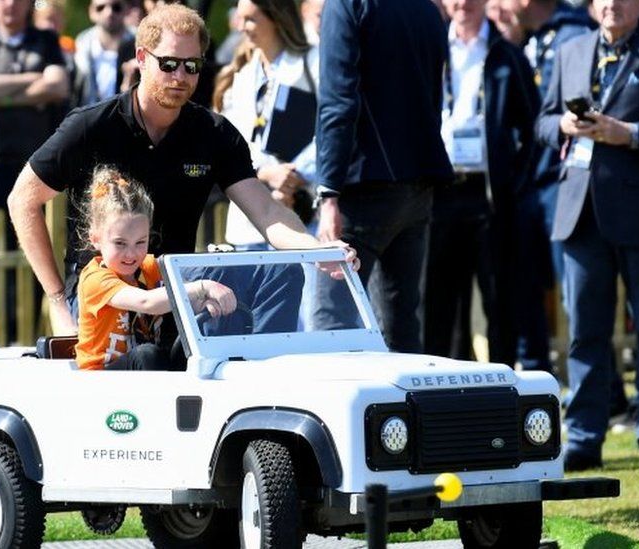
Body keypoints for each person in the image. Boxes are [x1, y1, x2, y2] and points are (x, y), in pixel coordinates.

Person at [7, 3, 355, 337]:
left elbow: (265, 210)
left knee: (281, 273)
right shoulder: (91, 126)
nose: (180, 76)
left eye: (192, 66)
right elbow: (22, 199)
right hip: (107, 291)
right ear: (142, 58)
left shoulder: (214, 133)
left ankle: (255, 378)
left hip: (178, 288)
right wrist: (56, 301)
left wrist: (318, 251)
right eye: (169, 63)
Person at [535, 0, 639, 474]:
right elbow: (542, 122)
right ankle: (585, 438)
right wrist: (564, 126)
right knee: (585, 334)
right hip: (581, 213)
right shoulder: (570, 52)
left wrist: (627, 133)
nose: (612, 5)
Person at [311, 0, 452, 353]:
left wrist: (328, 192)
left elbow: (337, 100)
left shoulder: (346, 5)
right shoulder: (427, 9)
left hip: (361, 190)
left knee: (331, 326)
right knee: (401, 328)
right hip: (418, 186)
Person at [424, 0, 539, 365]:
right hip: (438, 192)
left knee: (497, 298)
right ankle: (434, 391)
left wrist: (514, 180)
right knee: (438, 300)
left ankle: (502, 389)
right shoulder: (430, 48)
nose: (463, 4)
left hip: (489, 195)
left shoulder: (506, 55)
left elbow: (532, 127)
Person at [0, 0, 69, 346]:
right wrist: (31, 82)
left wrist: (3, 95)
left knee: (36, 252)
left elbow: (58, 86)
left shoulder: (45, 39)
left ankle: (30, 338)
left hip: (34, 162)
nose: (9, 4)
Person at [506, 0, 594, 375]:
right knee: (525, 290)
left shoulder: (572, 36)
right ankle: (536, 375)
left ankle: (605, 396)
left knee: (577, 295)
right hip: (530, 185)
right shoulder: (526, 39)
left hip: (560, 183)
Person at [75, 166, 236, 371]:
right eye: (120, 243)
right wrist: (202, 287)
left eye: (140, 242)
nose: (131, 254)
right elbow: (147, 302)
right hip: (101, 377)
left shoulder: (149, 267)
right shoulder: (95, 278)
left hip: (143, 369)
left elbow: (181, 296)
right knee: (148, 354)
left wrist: (205, 302)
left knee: (193, 348)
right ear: (96, 239)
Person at [212, 0, 318, 251]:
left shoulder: (313, 62)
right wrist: (268, 174)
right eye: (240, 18)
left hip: (303, 207)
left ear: (276, 16)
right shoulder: (242, 74)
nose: (241, 27)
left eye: (250, 18)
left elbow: (332, 128)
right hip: (249, 219)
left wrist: (296, 175)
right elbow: (232, 141)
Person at [73, 0, 136, 106]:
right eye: (100, 8)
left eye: (116, 7)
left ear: (127, 9)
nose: (109, 12)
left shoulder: (140, 41)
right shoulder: (82, 44)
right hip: (89, 116)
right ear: (91, 12)